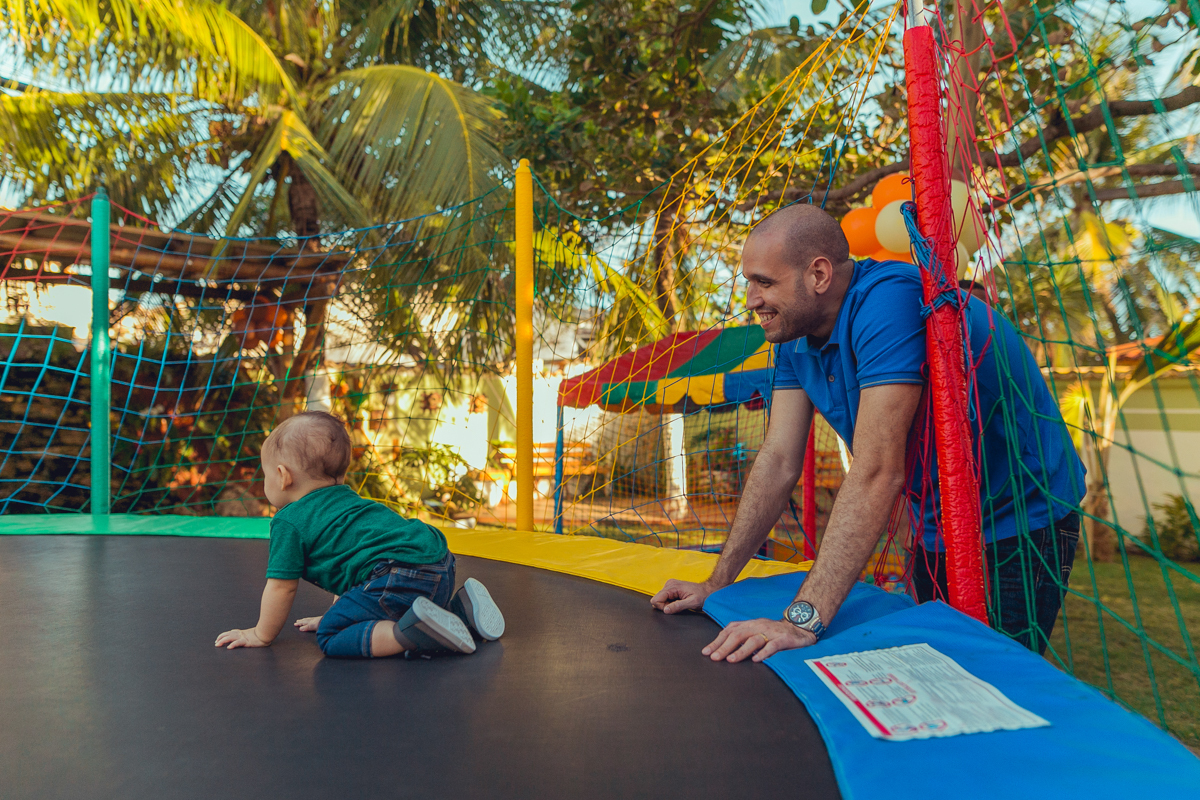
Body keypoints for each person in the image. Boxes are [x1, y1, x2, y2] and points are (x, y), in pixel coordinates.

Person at [651, 204, 1085, 661]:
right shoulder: (793, 335)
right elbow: (778, 459)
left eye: (764, 282)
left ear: (819, 274)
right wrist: (715, 585)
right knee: (934, 659)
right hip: (938, 516)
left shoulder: (888, 301)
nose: (752, 300)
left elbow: (878, 470)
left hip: (1020, 510)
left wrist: (801, 621)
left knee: (995, 672)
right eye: (749, 284)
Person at [215, 411, 506, 658]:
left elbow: (282, 587)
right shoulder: (347, 499)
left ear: (282, 475)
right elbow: (355, 565)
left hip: (399, 576)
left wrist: (260, 634)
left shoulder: (290, 521)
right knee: (388, 602)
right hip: (439, 563)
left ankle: (413, 635)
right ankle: (463, 610)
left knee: (332, 634)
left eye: (265, 475)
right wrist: (346, 608)